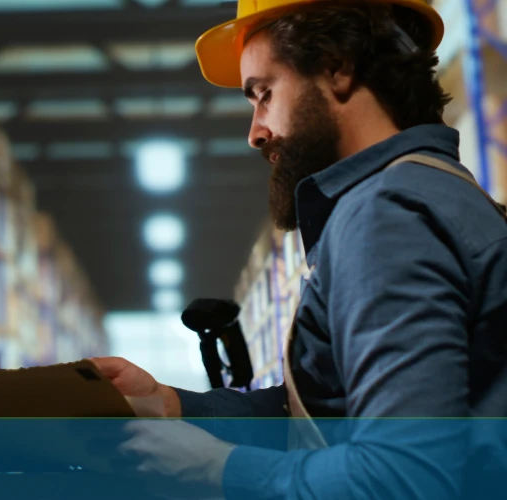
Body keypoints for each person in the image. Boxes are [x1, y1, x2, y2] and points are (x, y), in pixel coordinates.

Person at [88, 0, 507, 498]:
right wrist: (170, 405)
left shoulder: (386, 214)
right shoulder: (437, 192)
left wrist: (219, 469)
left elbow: (402, 479)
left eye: (263, 94)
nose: (255, 133)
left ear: (337, 68)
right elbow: (329, 413)